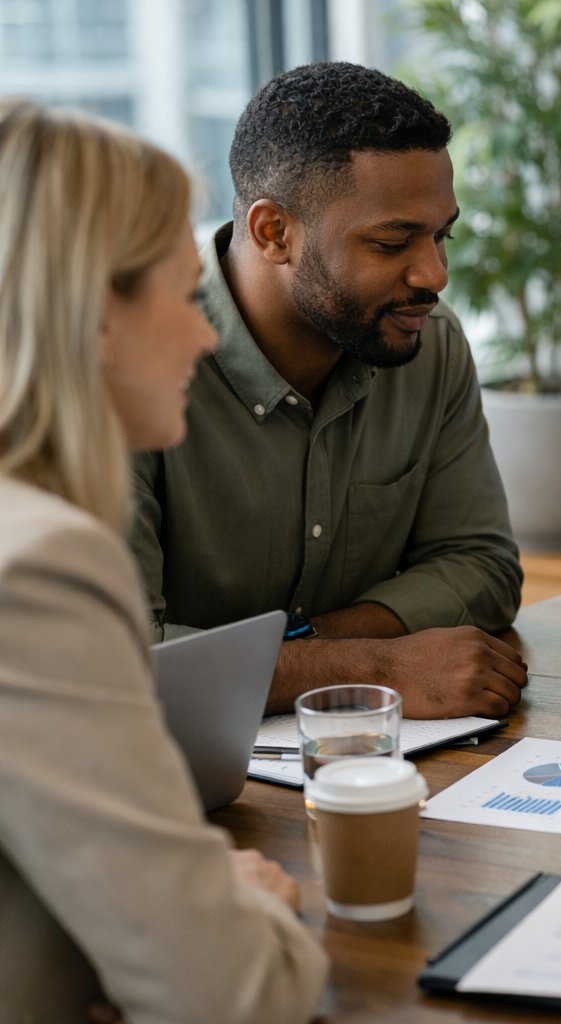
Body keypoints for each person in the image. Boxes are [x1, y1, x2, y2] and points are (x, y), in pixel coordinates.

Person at [0, 99, 325, 1023]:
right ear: (95, 314)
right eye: (185, 298)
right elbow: (235, 996)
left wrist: (178, 893)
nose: (206, 335)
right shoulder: (40, 566)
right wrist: (248, 911)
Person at [129, 62, 528, 719]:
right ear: (273, 233)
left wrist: (310, 645)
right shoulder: (129, 359)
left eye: (442, 235)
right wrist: (372, 668)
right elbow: (115, 659)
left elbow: (481, 565)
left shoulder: (430, 342)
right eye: (393, 241)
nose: (434, 274)